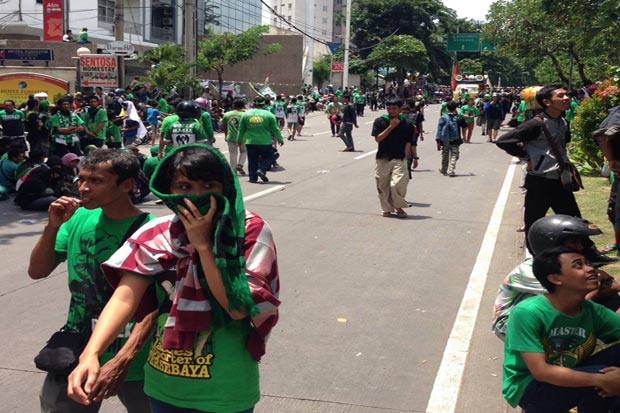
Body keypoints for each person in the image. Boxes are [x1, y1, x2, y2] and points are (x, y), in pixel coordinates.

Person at [67, 143, 280, 413]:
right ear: (169, 190)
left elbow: (237, 308)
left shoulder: (249, 231)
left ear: (224, 186)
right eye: (185, 187)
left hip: (225, 389)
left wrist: (203, 246)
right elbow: (124, 296)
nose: (197, 196)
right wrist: (91, 354)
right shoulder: (158, 232)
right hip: (163, 384)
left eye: (209, 185)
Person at [28, 149, 156, 413]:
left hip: (135, 357)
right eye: (82, 179)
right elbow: (37, 271)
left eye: (96, 181)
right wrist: (51, 227)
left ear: (127, 185)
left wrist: (123, 358)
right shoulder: (77, 218)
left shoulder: (152, 230)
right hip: (78, 348)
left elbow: (158, 305)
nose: (84, 188)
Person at [496, 85, 616, 264]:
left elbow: (562, 144)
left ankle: (591, 255)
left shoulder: (562, 122)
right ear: (547, 102)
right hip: (539, 181)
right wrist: (527, 156)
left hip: (559, 180)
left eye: (567, 94)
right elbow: (504, 140)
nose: (567, 98)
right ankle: (536, 260)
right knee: (533, 221)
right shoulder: (534, 124)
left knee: (575, 219)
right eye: (561, 96)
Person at [502, 246, 620, 413]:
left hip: (572, 372)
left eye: (588, 263)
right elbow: (541, 371)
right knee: (601, 377)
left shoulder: (591, 309)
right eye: (578, 265)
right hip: (532, 388)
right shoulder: (528, 312)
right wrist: (602, 380)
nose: (590, 269)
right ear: (555, 278)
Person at [492, 214, 620, 340]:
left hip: (541, 313)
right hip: (513, 323)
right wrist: (597, 284)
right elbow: (579, 299)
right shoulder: (532, 271)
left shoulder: (565, 267)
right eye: (574, 242)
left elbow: (603, 285)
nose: (580, 247)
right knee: (580, 310)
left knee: (608, 300)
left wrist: (605, 286)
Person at [371, 98, 414, 218]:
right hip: (383, 157)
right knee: (382, 184)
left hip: (399, 158)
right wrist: (391, 127)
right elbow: (378, 138)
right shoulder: (380, 121)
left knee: (397, 183)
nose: (391, 111)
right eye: (389, 108)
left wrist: (406, 157)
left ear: (400, 109)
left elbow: (408, 142)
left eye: (394, 108)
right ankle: (387, 209)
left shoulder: (407, 123)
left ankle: (399, 206)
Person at [238, 96, 284, 183]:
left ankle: (252, 178)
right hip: (265, 141)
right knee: (270, 157)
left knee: (252, 160)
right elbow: (275, 129)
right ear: (264, 104)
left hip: (250, 142)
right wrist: (280, 139)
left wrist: (239, 139)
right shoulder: (269, 114)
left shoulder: (245, 114)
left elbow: (241, 129)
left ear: (253, 104)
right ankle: (262, 169)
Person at [436, 100, 462, 177]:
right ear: (455, 108)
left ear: (447, 108)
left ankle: (444, 169)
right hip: (456, 139)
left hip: (445, 140)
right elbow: (464, 127)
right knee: (454, 155)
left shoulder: (443, 117)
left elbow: (439, 129)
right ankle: (451, 170)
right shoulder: (458, 117)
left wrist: (438, 140)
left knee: (445, 154)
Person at [221, 98, 247, 175]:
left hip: (231, 136)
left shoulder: (227, 114)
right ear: (243, 106)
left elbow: (224, 126)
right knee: (244, 151)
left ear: (233, 105)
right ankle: (240, 164)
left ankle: (233, 170)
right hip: (243, 137)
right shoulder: (245, 115)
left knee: (233, 154)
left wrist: (226, 135)